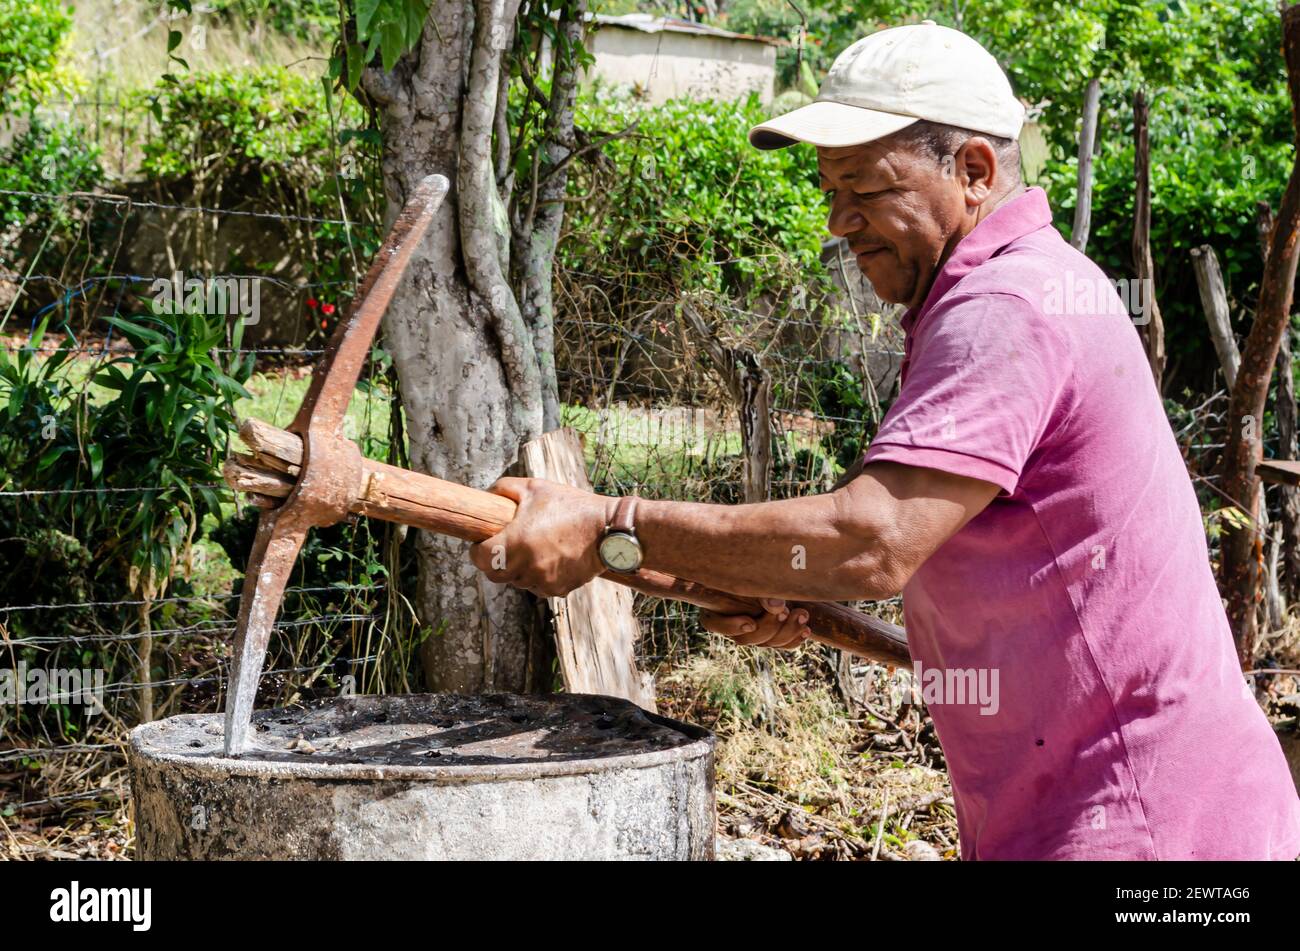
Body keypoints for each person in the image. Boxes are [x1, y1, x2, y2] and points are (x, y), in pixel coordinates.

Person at [468, 21, 1300, 859]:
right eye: (832, 190)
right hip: (1154, 810)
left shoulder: (1002, 308)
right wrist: (784, 580)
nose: (840, 221)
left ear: (973, 170)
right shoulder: (1034, 283)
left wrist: (610, 523)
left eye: (865, 187)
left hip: (1141, 827)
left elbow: (872, 539)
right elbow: (963, 557)